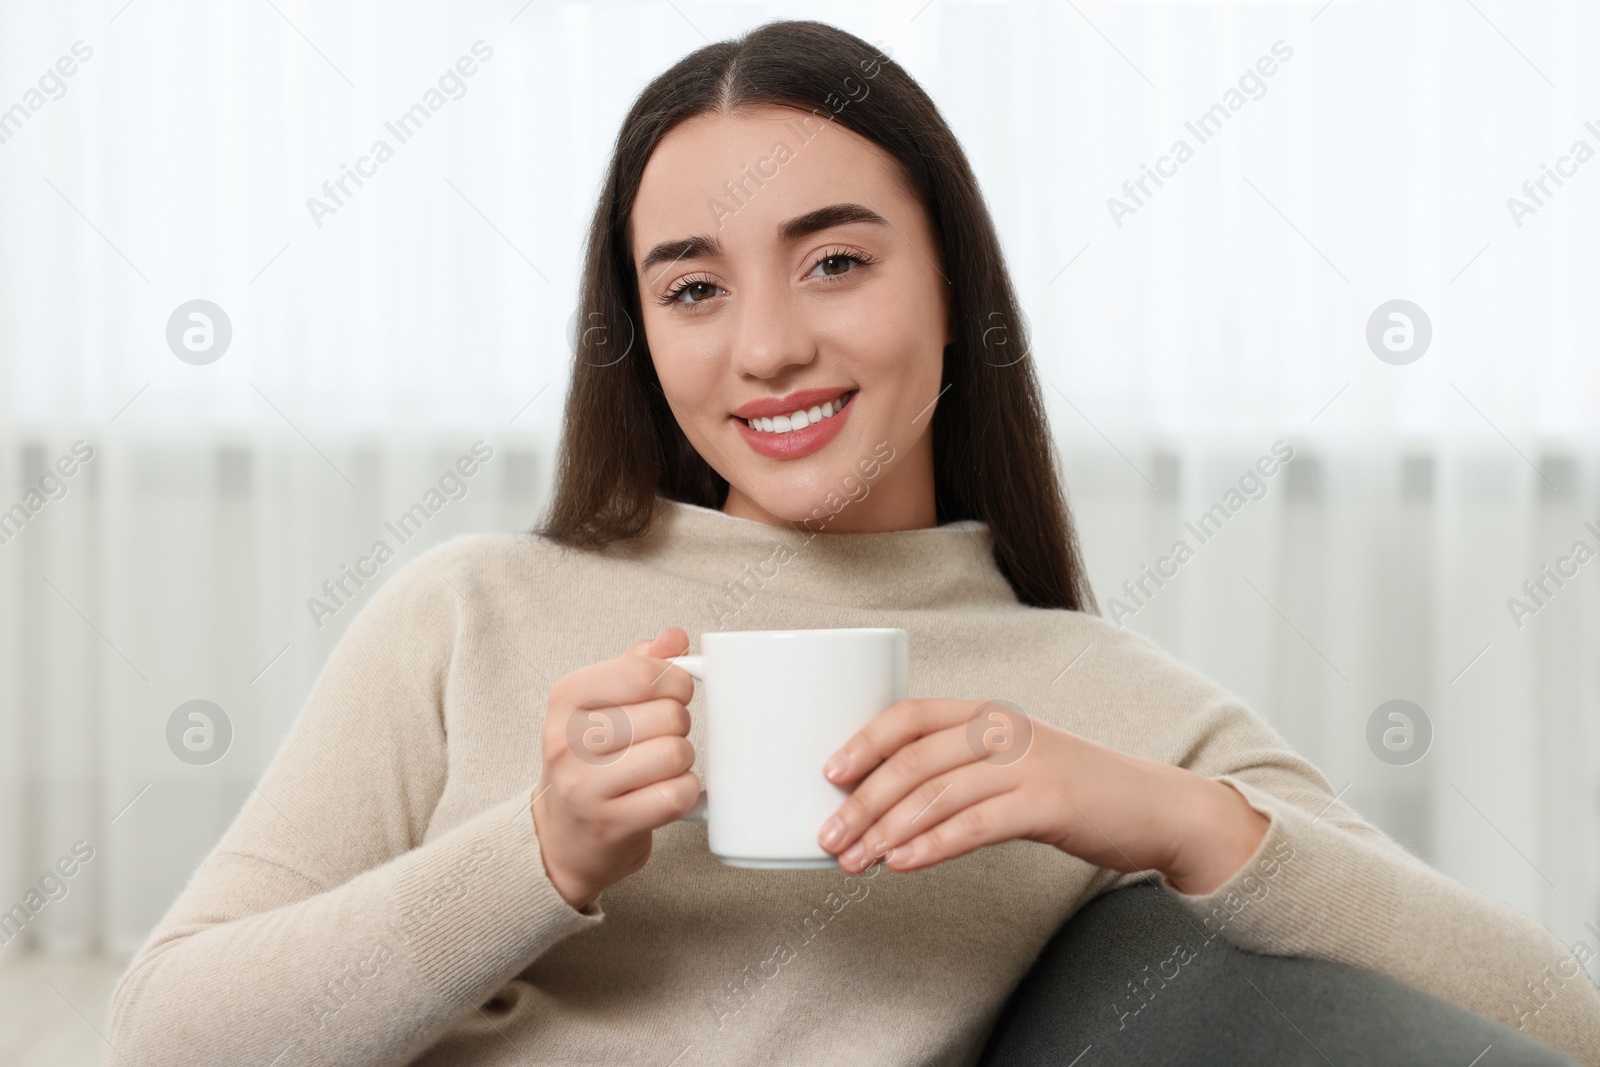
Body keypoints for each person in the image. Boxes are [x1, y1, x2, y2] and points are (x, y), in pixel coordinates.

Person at [107, 19, 1600, 1066]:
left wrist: (1169, 817)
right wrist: (542, 855)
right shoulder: (472, 611)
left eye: (834, 261)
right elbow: (169, 1038)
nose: (767, 346)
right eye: (692, 290)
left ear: (952, 283)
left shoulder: (1099, 698)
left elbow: (1558, 1019)